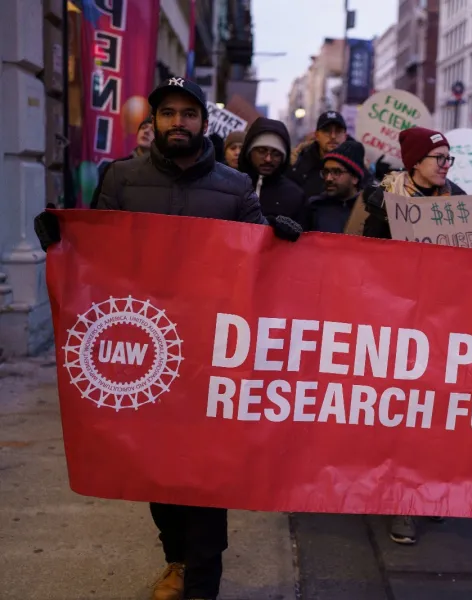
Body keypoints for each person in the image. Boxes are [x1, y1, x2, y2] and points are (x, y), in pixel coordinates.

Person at [34, 77, 302, 600]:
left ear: (204, 122)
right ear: (153, 122)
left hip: (210, 357)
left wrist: (280, 237)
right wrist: (61, 238)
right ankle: (175, 561)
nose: (178, 122)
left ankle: (203, 581)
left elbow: (259, 259)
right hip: (148, 352)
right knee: (157, 470)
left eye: (188, 114)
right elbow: (97, 245)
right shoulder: (121, 178)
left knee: (206, 475)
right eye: (168, 113)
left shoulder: (233, 187)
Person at [362, 126, 467, 241]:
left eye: (448, 158)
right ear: (416, 162)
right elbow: (371, 250)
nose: (447, 165)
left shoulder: (458, 199)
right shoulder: (385, 199)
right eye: (439, 157)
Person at [238, 117, 305, 223]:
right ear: (249, 152)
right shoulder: (231, 187)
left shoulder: (295, 195)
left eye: (276, 153)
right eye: (261, 151)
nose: (268, 159)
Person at [89, 116, 155, 208]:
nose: (146, 131)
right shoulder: (116, 168)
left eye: (153, 130)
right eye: (143, 128)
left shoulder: (161, 172)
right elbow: (97, 205)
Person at [304, 139, 368, 233]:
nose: (328, 178)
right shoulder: (314, 206)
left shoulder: (368, 212)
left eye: (337, 172)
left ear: (355, 178)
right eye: (326, 172)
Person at [288, 110, 349, 199]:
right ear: (317, 135)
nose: (333, 136)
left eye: (338, 131)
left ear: (345, 136)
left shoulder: (357, 168)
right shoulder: (298, 166)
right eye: (327, 131)